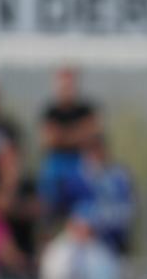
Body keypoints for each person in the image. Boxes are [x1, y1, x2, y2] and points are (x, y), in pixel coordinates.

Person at [38, 67, 100, 215]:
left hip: (80, 162)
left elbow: (92, 136)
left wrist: (61, 136)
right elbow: (47, 140)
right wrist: (77, 133)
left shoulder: (85, 109)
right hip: (56, 164)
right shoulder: (50, 111)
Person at [74, 134, 134, 253]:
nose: (95, 156)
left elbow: (129, 210)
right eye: (90, 152)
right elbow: (74, 212)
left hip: (114, 242)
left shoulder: (120, 176)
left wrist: (97, 223)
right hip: (83, 243)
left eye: (98, 150)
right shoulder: (77, 180)